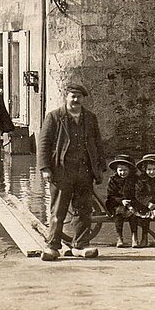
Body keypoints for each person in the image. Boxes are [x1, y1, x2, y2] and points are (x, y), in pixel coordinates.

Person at [38, 83, 105, 261]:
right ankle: (53, 246)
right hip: (61, 171)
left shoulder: (90, 118)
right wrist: (45, 168)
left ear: (83, 99)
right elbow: (43, 144)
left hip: (85, 171)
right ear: (65, 97)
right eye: (72, 96)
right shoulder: (54, 117)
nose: (75, 100)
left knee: (83, 210)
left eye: (79, 97)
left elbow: (98, 143)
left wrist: (100, 168)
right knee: (58, 211)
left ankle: (81, 245)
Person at [105, 154, 139, 248]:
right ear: (116, 170)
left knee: (133, 213)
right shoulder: (113, 180)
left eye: (125, 170)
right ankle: (119, 237)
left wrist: (131, 203)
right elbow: (111, 195)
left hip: (132, 202)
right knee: (119, 213)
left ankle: (134, 236)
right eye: (120, 170)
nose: (122, 173)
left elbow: (138, 193)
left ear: (130, 170)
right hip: (117, 203)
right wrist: (122, 201)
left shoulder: (134, 179)